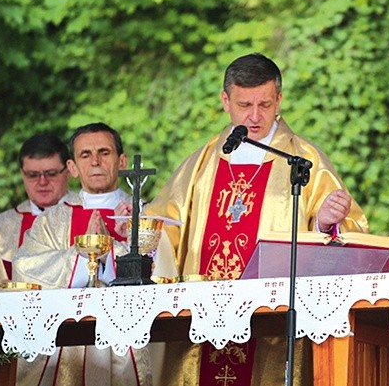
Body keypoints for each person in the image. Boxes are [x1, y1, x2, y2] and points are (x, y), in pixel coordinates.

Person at [145, 53, 368, 385]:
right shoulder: (201, 164)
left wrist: (322, 224)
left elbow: (351, 233)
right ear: (225, 101)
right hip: (203, 320)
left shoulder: (304, 161)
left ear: (279, 99)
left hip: (271, 325)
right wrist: (142, 229)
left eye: (264, 104)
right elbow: (163, 228)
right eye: (243, 104)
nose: (254, 116)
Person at [13, 123, 174, 386]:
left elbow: (165, 273)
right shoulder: (53, 220)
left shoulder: (143, 217)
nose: (96, 161)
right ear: (72, 167)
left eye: (104, 152)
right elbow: (24, 267)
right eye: (85, 155)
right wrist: (83, 255)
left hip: (128, 343)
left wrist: (117, 249)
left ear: (122, 161)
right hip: (65, 347)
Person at [0, 134, 74, 292]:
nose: (42, 182)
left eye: (51, 173)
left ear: (69, 170)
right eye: (32, 175)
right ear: (22, 173)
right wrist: (10, 290)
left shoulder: (89, 215)